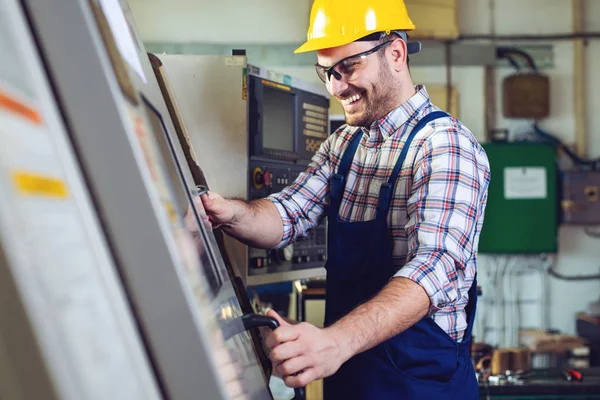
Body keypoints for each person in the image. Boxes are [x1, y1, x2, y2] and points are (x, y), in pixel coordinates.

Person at [201, 0, 491, 398]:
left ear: (396, 53)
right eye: (327, 72)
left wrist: (335, 342)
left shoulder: (444, 145)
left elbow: (434, 267)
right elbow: (288, 214)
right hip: (352, 381)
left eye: (349, 67)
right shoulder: (344, 144)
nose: (336, 87)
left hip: (420, 386)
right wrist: (224, 212)